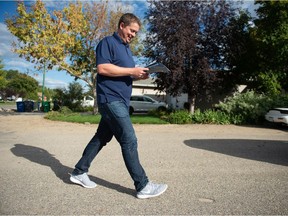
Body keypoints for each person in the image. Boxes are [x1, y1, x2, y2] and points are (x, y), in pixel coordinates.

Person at [70, 13, 167, 199]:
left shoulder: (126, 49)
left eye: (136, 33)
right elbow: (103, 68)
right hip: (110, 99)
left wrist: (138, 75)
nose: (133, 35)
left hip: (120, 100)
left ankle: (79, 172)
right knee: (129, 139)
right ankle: (143, 185)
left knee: (101, 138)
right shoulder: (108, 42)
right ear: (122, 25)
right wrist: (132, 70)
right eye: (132, 31)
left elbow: (123, 72)